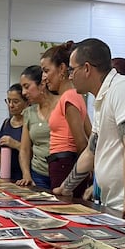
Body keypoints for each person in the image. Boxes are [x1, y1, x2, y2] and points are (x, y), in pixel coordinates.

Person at [54, 38, 125, 221]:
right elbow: (92, 151)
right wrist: (66, 187)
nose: (70, 76)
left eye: (72, 70)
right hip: (115, 205)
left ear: (87, 68)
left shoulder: (123, 89)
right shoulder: (103, 97)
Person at [41, 41, 92, 196]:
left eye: (46, 70)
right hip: (64, 163)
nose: (43, 77)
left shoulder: (69, 96)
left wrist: (83, 172)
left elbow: (82, 142)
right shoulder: (73, 96)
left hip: (65, 164)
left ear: (62, 69)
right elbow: (91, 133)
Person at [17, 65, 54, 189]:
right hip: (38, 174)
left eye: (27, 87)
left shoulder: (61, 106)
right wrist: (26, 175)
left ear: (42, 84)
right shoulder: (29, 113)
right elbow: (24, 149)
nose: (23, 93)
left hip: (62, 172)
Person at [0, 83, 27, 180]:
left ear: (26, 102)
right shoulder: (6, 123)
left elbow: (35, 154)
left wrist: (16, 145)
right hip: (6, 176)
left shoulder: (29, 124)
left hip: (23, 177)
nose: (11, 105)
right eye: (8, 101)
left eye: (15, 102)